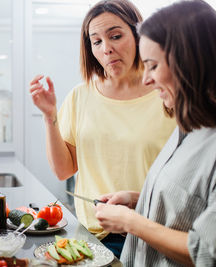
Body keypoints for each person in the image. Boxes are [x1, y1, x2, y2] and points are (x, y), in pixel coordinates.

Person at [29, 0, 175, 258]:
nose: (106, 49)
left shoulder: (167, 94)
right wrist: (50, 115)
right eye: (96, 41)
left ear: (139, 35)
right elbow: (64, 170)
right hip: (92, 237)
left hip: (154, 235)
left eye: (116, 36)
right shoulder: (81, 95)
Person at [94, 0, 216, 266]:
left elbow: (206, 252)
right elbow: (191, 206)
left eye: (153, 65)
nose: (147, 80)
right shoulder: (188, 126)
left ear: (188, 63)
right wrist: (138, 200)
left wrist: (131, 222)